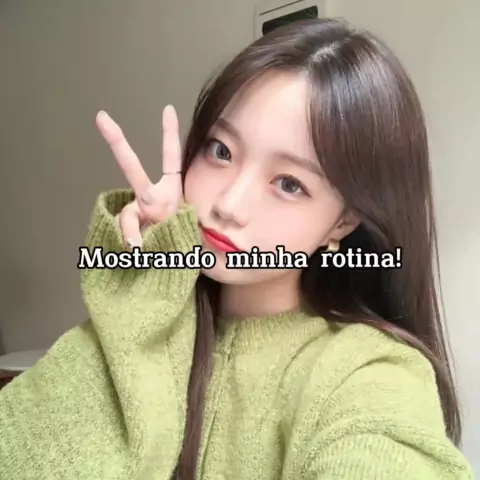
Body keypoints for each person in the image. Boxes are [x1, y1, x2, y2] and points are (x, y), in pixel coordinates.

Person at [0, 17, 474, 480]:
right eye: (221, 151)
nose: (228, 205)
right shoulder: (153, 314)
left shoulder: (367, 372)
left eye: (289, 183)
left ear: (343, 221)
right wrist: (150, 280)